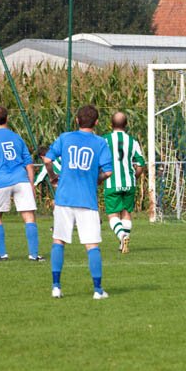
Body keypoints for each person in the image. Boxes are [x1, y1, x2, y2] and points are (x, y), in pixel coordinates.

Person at [44, 105, 113, 300]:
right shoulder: (100, 143)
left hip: (64, 198)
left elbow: (47, 160)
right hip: (86, 199)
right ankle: (97, 290)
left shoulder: (65, 137)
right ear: (96, 123)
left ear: (76, 120)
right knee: (92, 245)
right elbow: (108, 171)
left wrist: (52, 176)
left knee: (59, 240)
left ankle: (56, 287)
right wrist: (97, 179)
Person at [0, 106, 42, 262]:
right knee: (29, 216)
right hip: (21, 180)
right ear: (7, 118)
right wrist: (31, 185)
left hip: (1, 181)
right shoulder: (17, 138)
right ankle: (34, 255)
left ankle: (2, 255)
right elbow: (29, 164)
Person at [102, 112, 145, 253]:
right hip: (129, 182)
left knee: (113, 214)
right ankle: (123, 244)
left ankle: (122, 235)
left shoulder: (105, 140)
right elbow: (141, 164)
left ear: (111, 124)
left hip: (111, 182)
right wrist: (135, 177)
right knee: (126, 213)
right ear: (126, 125)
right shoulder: (133, 141)